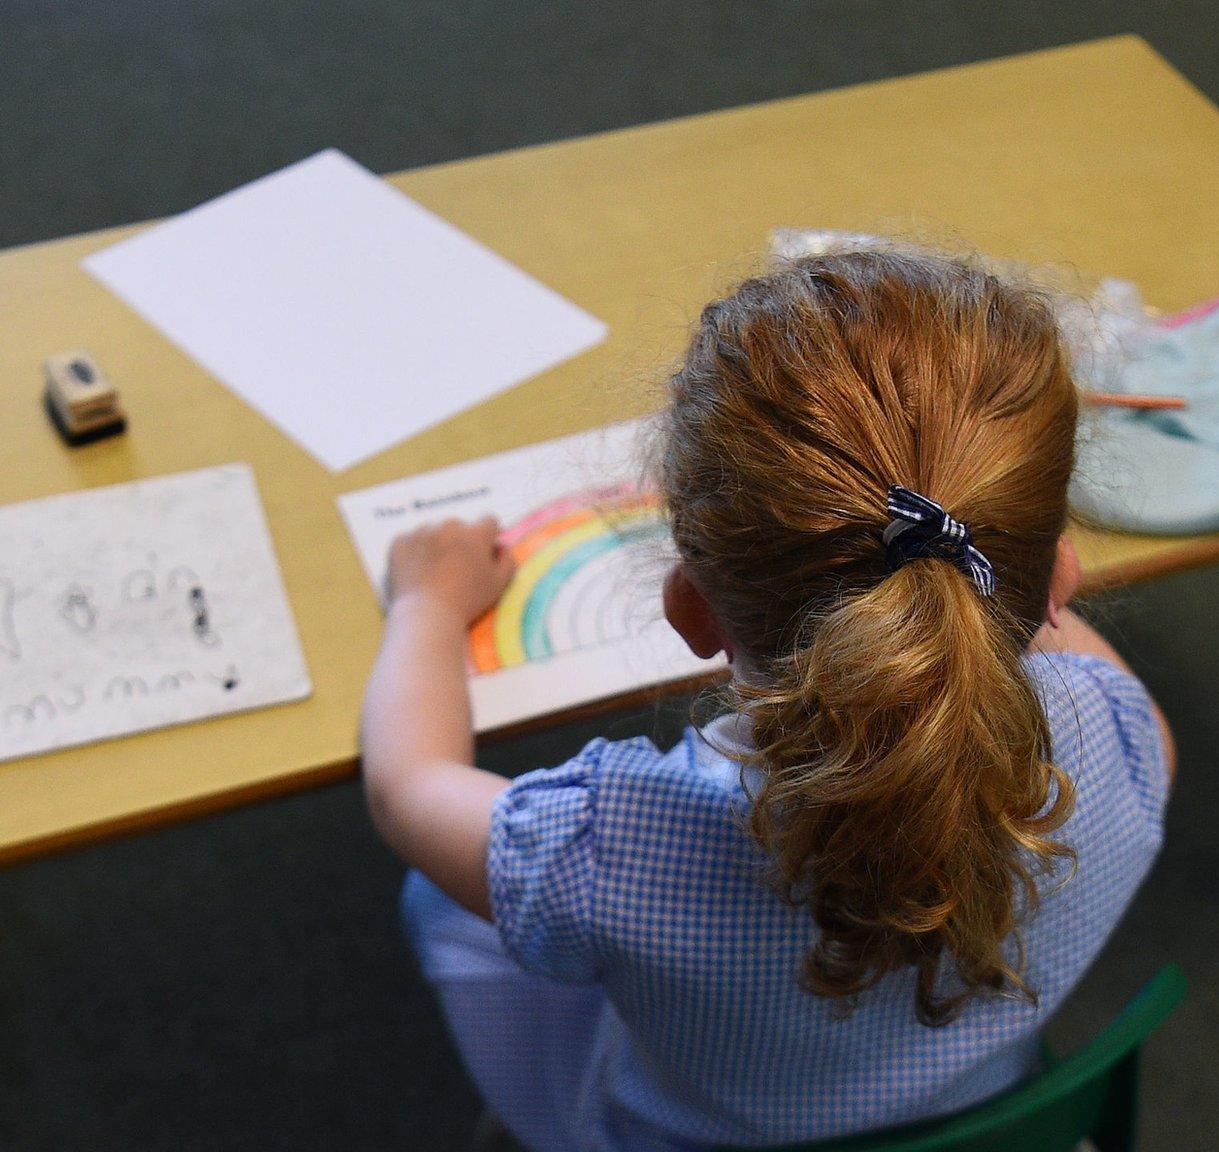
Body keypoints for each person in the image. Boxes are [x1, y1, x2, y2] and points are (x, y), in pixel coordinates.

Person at [358, 246, 1175, 1151]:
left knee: (440, 901)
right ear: (1061, 573)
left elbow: (407, 784)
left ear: (690, 611)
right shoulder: (1122, 736)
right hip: (981, 1115)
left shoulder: (606, 851)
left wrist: (429, 605)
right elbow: (1033, 610)